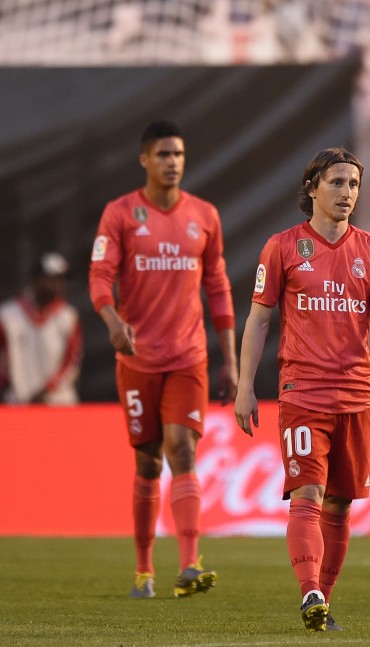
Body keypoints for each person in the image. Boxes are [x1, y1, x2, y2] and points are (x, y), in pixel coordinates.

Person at [233, 147, 370, 632]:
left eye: (353, 184)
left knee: (341, 503)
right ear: (312, 188)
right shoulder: (283, 247)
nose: (347, 193)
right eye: (337, 183)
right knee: (308, 491)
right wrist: (245, 386)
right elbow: (259, 320)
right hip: (302, 390)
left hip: (356, 393)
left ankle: (320, 603)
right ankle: (309, 588)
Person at [89, 120, 238, 600]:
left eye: (178, 154)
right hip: (137, 359)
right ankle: (143, 570)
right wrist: (113, 321)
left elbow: (218, 288)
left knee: (183, 449)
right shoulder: (120, 214)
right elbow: (98, 277)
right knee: (149, 463)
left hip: (188, 356)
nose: (172, 162)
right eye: (163, 155)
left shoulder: (205, 216)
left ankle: (191, 564)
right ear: (144, 160)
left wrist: (230, 360)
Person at [0, 251, 83, 405]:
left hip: (58, 402)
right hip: (18, 400)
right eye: (51, 279)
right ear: (36, 280)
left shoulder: (68, 316)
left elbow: (72, 361)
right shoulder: (8, 315)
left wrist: (48, 389)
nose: (57, 285)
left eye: (61, 280)